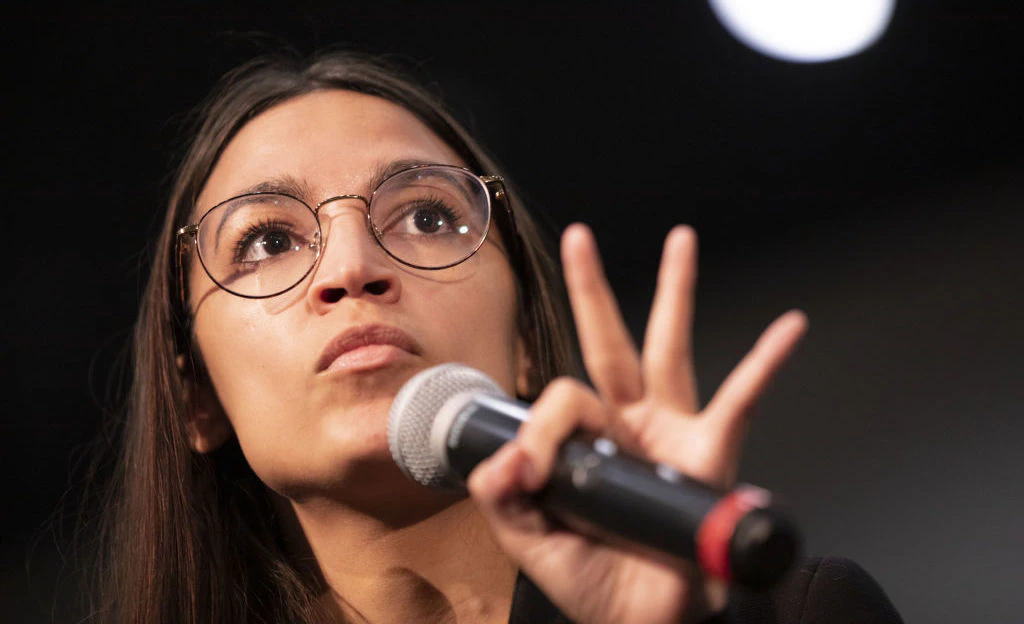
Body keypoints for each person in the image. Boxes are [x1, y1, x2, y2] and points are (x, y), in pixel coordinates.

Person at [86, 48, 903, 623]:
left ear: (521, 341)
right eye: (268, 240)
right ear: (196, 398)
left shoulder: (801, 613)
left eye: (427, 215)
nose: (352, 266)